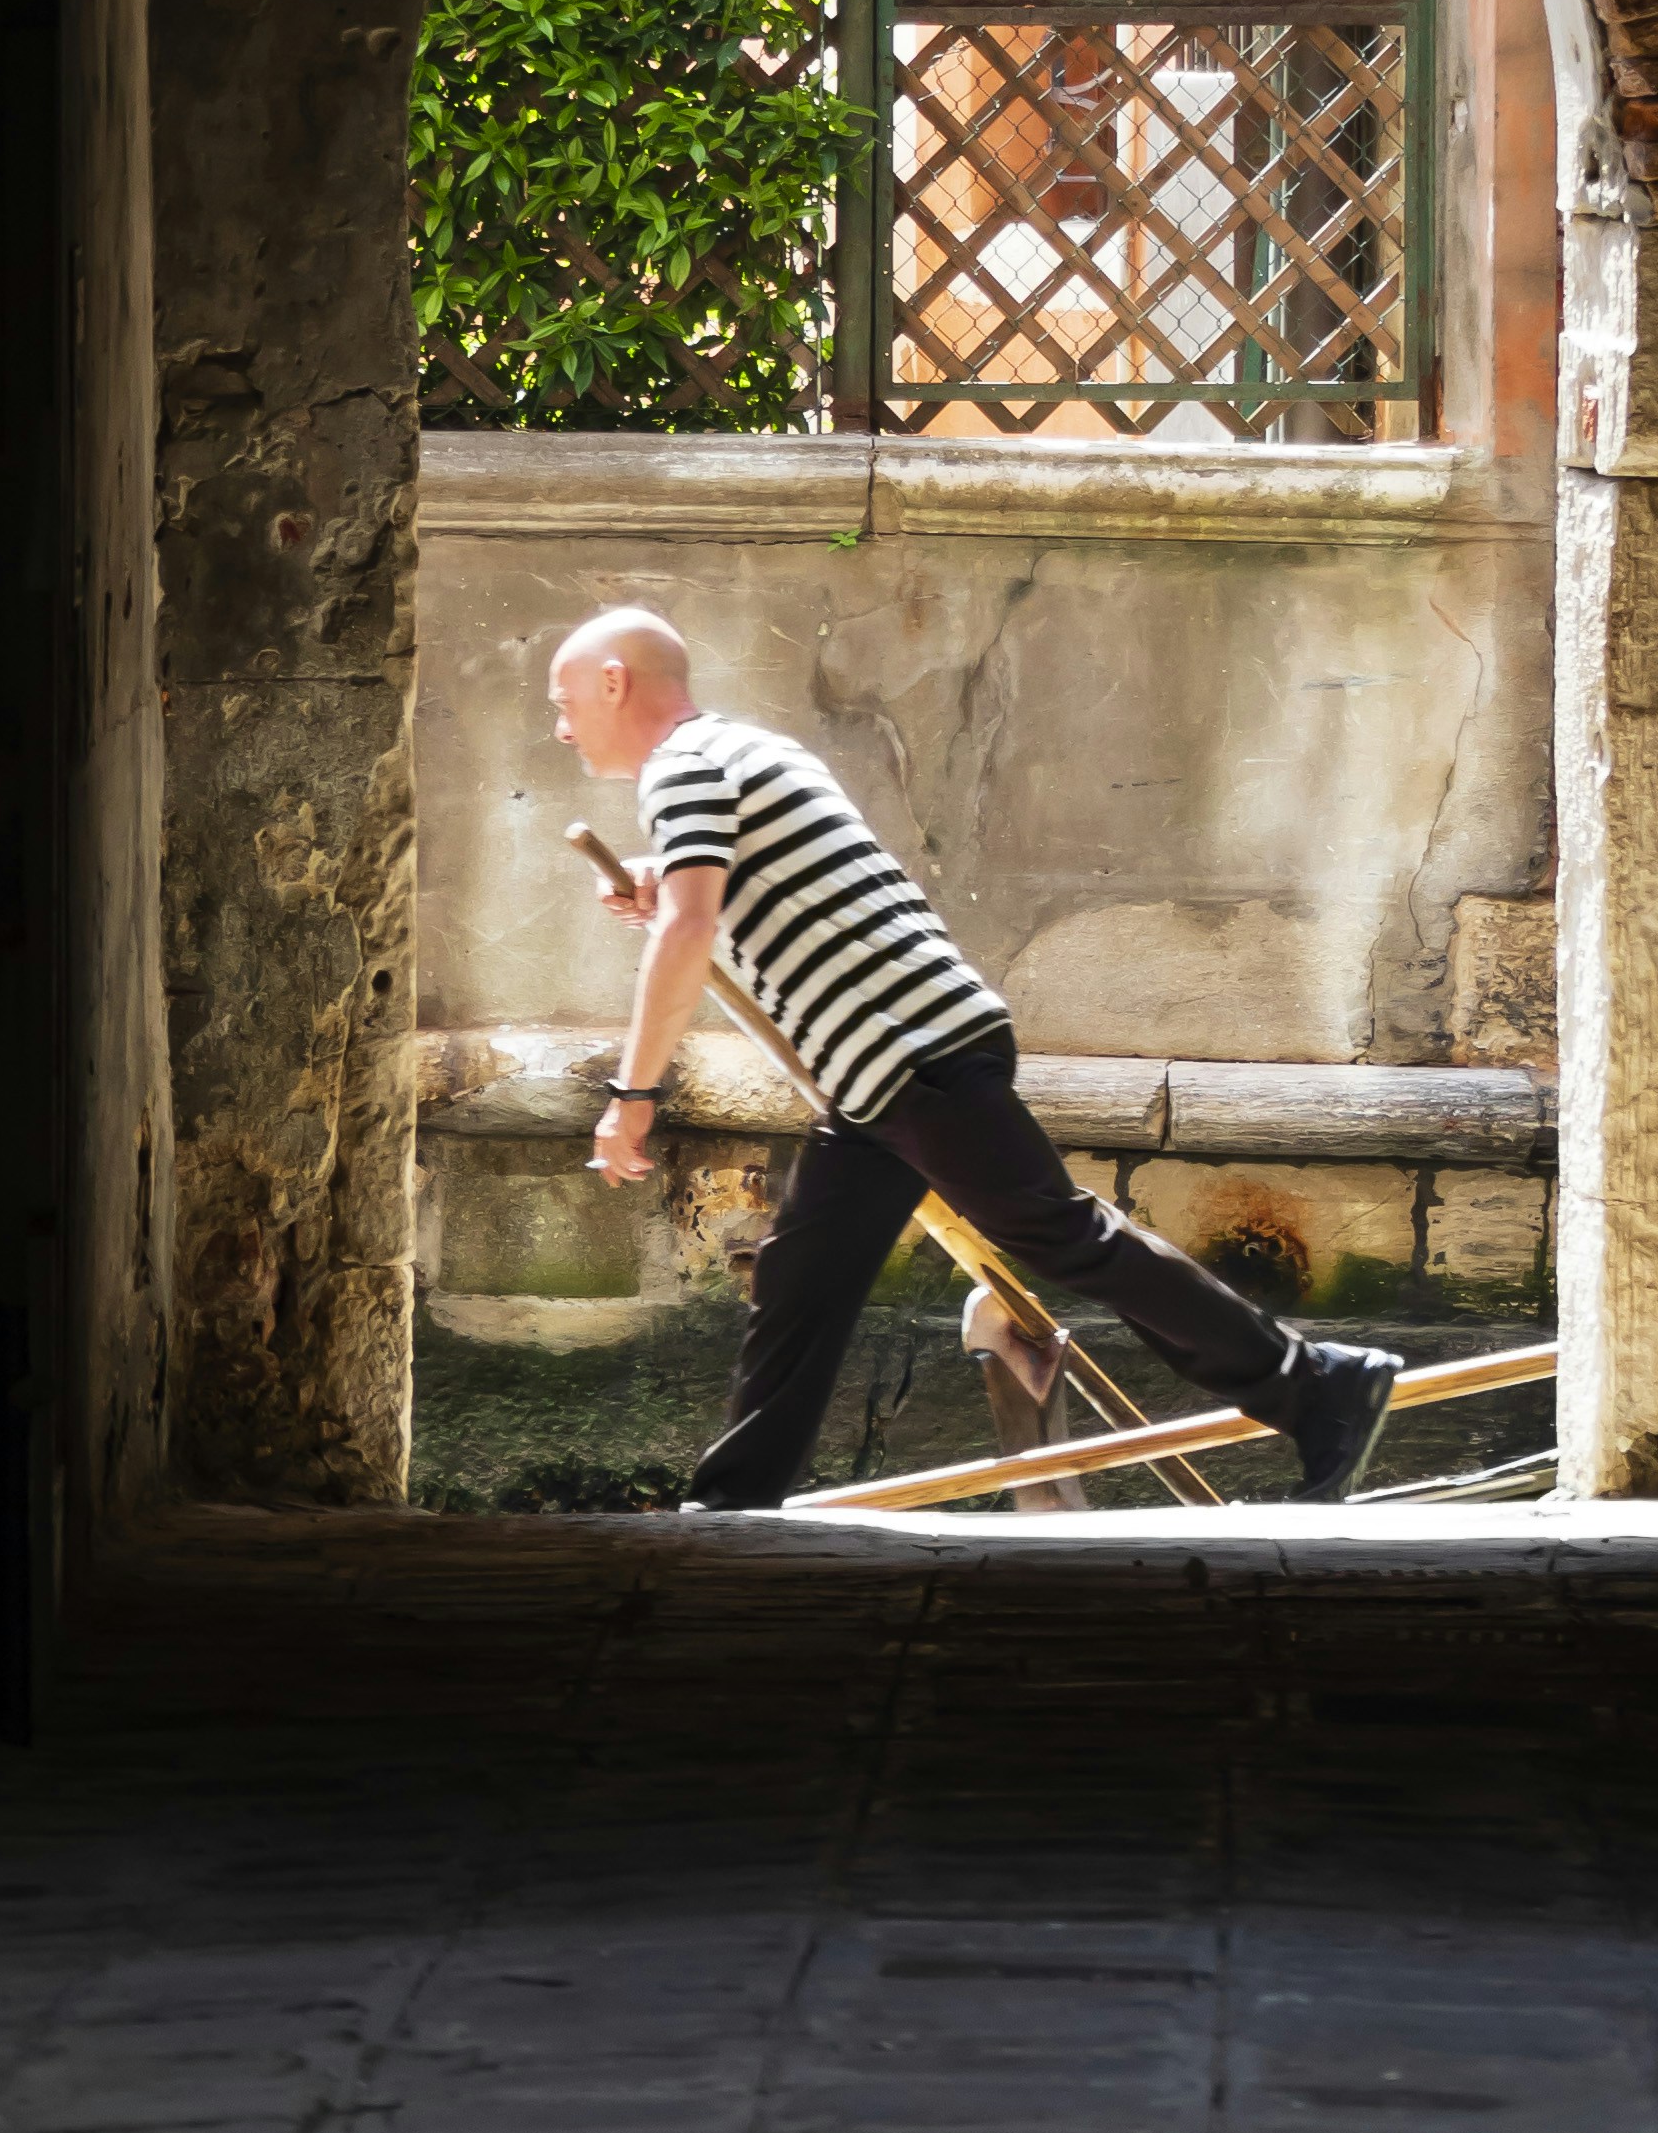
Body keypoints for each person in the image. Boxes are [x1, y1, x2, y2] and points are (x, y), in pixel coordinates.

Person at [546, 602, 1403, 1514]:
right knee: (802, 1283)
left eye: (565, 701)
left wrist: (633, 1094)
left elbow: (688, 926)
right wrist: (664, 872)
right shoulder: (739, 753)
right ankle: (728, 1513)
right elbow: (741, 879)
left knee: (1064, 1236)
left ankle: (1315, 1384)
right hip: (878, 1074)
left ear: (614, 683)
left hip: (911, 1050)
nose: (561, 727)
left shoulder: (681, 767)